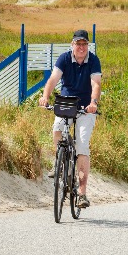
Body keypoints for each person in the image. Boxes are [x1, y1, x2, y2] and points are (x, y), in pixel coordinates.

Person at [39, 29, 101, 208]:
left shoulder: (93, 60)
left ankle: (82, 193)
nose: (81, 47)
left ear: (87, 45)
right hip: (66, 103)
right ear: (72, 45)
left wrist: (93, 102)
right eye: (78, 44)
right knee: (57, 130)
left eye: (84, 44)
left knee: (82, 144)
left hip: (85, 108)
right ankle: (60, 158)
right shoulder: (64, 58)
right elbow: (53, 79)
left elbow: (96, 83)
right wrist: (45, 96)